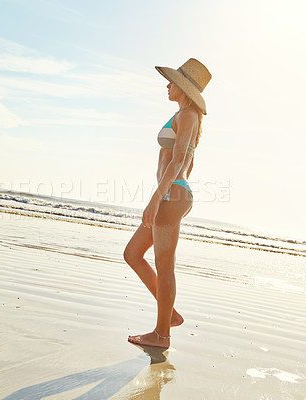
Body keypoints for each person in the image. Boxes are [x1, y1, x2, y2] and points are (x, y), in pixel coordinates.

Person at [123, 58, 212, 349]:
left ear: (184, 87)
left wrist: (156, 199)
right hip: (174, 193)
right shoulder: (186, 115)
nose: (167, 85)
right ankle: (169, 314)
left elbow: (177, 161)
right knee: (133, 254)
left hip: (170, 195)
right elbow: (186, 161)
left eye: (172, 81)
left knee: (164, 266)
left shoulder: (188, 115)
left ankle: (162, 335)